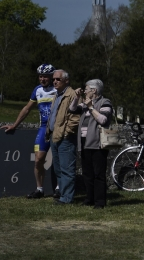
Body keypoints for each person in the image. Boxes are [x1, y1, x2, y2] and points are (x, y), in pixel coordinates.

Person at [1, 64, 58, 199]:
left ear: (51, 77)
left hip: (58, 128)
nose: (42, 79)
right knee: (38, 159)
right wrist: (15, 125)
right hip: (44, 128)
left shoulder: (58, 89)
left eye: (45, 76)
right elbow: (27, 108)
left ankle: (59, 188)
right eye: (40, 76)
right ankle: (39, 189)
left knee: (59, 160)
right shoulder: (37, 90)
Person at [71, 80, 113, 209]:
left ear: (94, 90)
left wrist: (90, 107)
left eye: (87, 89)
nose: (85, 91)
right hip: (85, 142)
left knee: (98, 174)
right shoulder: (84, 104)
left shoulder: (105, 102)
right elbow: (72, 109)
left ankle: (99, 202)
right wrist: (76, 98)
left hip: (98, 142)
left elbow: (103, 120)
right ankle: (89, 198)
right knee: (87, 173)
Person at [45, 70, 80, 204]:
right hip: (55, 135)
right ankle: (62, 193)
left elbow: (75, 118)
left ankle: (67, 198)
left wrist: (66, 133)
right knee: (58, 168)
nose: (54, 81)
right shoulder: (57, 95)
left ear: (66, 80)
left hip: (65, 137)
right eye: (54, 79)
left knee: (67, 169)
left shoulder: (72, 94)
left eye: (58, 79)